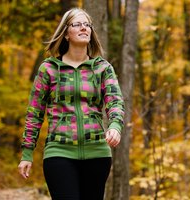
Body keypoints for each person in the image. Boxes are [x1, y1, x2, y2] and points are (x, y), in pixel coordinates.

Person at [18, 8, 125, 200]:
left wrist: (115, 126)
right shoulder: (49, 69)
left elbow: (115, 100)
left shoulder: (102, 68)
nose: (84, 28)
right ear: (66, 33)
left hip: (97, 152)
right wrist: (27, 152)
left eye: (87, 25)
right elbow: (35, 112)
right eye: (77, 24)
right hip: (59, 151)